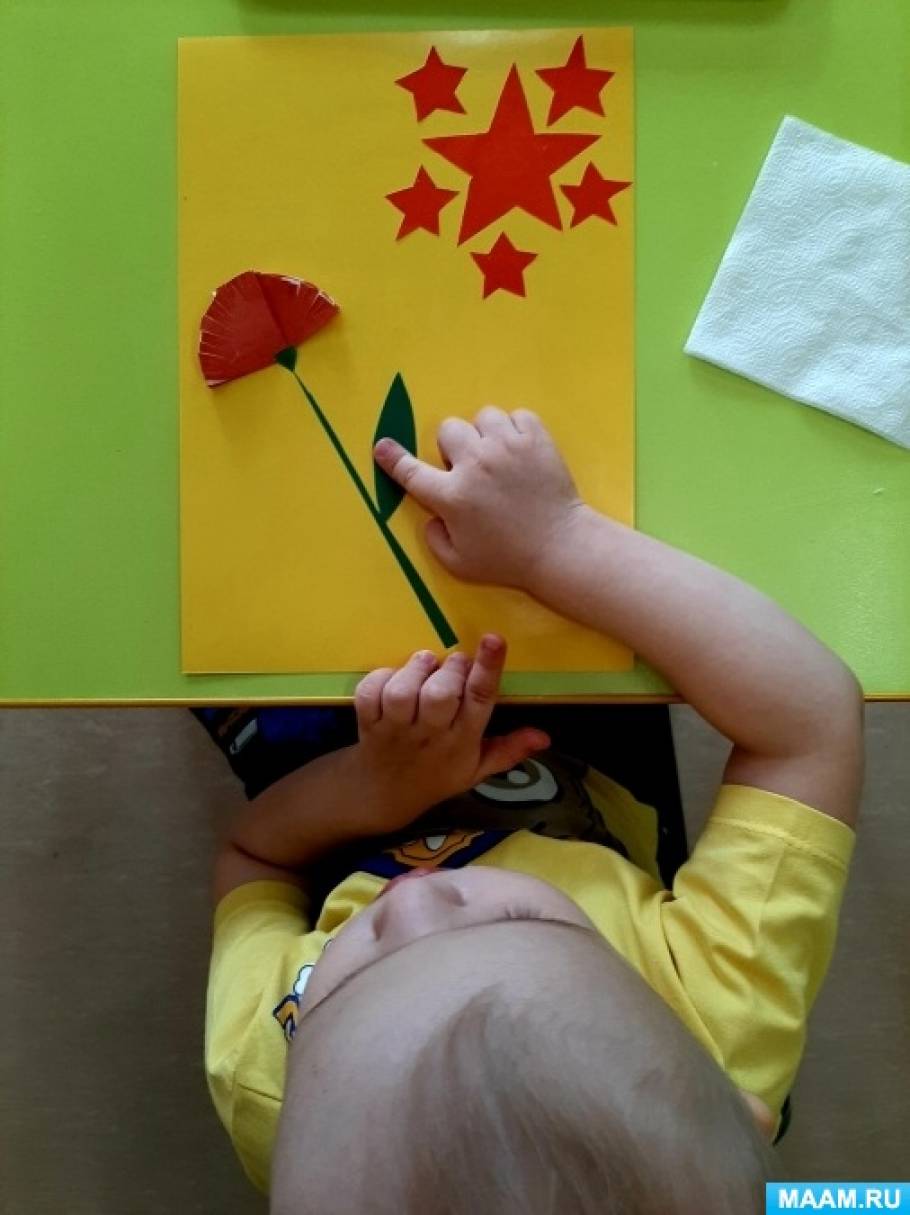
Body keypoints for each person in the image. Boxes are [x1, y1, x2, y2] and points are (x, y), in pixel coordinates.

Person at [205, 408, 863, 1213]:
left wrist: (368, 787)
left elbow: (255, 860)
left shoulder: (264, 1084)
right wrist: (559, 541)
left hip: (330, 790)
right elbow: (810, 725)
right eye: (519, 919)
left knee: (219, 551)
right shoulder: (719, 1018)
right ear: (741, 1101)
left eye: (334, 988)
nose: (409, 900)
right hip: (576, 750)